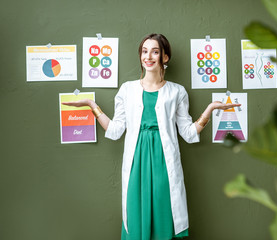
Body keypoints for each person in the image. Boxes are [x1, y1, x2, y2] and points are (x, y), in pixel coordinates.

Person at [63, 33, 240, 240]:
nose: (148, 56)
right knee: (135, 214)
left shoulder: (177, 92)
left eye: (155, 51)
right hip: (136, 162)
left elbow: (188, 133)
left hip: (164, 163)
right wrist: (93, 106)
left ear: (165, 57)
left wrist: (209, 110)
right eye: (144, 51)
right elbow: (115, 130)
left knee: (165, 211)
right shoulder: (127, 90)